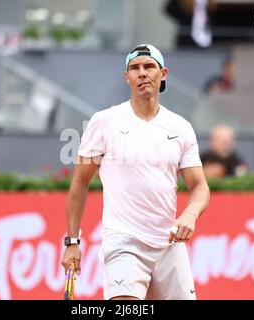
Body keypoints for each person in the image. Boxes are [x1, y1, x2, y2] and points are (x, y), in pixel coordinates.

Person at [61, 44, 210, 300]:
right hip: (123, 243)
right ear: (127, 77)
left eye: (149, 66)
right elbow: (79, 183)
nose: (142, 73)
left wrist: (190, 214)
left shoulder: (181, 127)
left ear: (163, 73)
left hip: (169, 245)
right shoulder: (104, 122)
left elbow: (200, 187)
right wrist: (73, 242)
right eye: (135, 68)